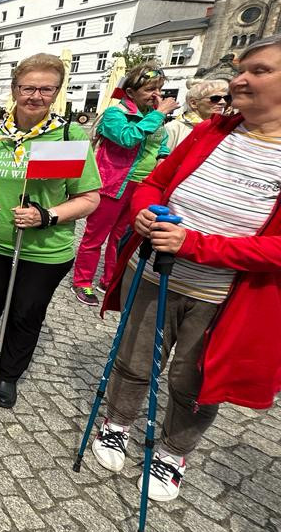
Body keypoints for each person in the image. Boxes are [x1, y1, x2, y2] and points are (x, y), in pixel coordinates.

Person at [90, 34, 281, 501]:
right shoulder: (211, 131)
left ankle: (173, 451)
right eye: (240, 68)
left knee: (193, 381)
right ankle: (117, 423)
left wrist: (195, 244)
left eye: (259, 70)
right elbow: (155, 182)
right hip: (155, 269)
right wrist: (145, 208)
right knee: (134, 359)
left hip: (226, 295)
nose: (238, 79)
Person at [0, 54, 101, 407]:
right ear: (14, 90)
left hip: (44, 250)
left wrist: (48, 215)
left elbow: (88, 198)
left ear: (56, 92)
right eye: (28, 88)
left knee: (25, 313)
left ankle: (8, 375)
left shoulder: (67, 135)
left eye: (45, 89)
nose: (35, 96)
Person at [71, 64, 179, 306]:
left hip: (142, 187)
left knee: (121, 238)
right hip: (112, 184)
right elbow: (127, 138)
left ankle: (109, 280)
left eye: (159, 89)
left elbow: (158, 143)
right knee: (95, 236)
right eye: (150, 89)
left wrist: (163, 156)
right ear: (130, 93)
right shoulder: (114, 114)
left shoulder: (153, 116)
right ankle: (83, 281)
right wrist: (158, 114)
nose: (156, 95)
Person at [164, 78, 230, 151]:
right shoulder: (174, 127)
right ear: (193, 103)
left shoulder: (223, 128)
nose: (223, 102)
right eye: (215, 98)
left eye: (226, 98)